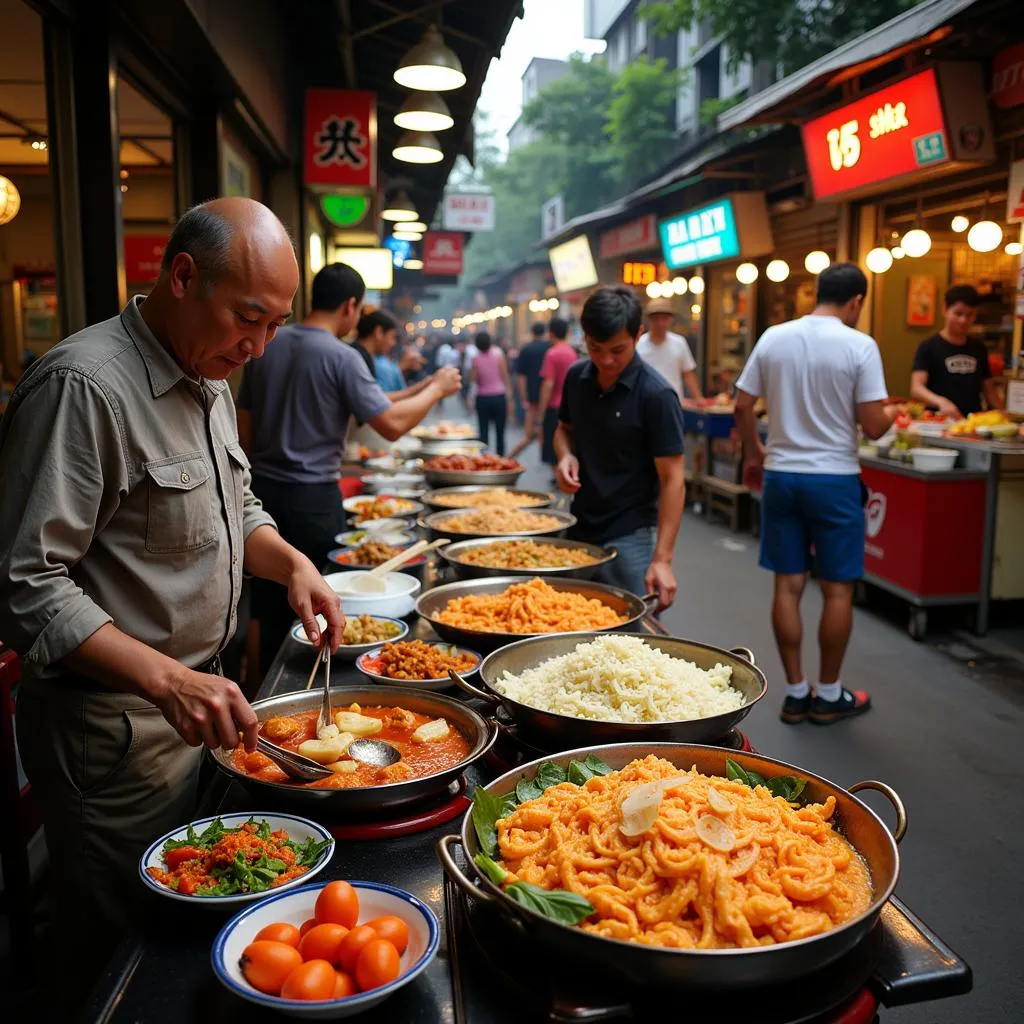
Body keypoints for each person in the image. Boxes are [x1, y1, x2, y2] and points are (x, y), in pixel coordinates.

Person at [0, 198, 346, 993]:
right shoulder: (84, 388)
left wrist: (290, 562)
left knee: (185, 926)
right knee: (114, 951)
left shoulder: (208, 371)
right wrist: (166, 678)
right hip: (114, 732)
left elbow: (236, 511)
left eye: (275, 325)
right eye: (247, 319)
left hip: (200, 712)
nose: (257, 348)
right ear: (182, 276)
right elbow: (22, 582)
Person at [236, 263, 461, 670]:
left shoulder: (264, 344)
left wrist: (426, 386)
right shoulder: (341, 355)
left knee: (267, 607)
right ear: (351, 306)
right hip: (314, 501)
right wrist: (439, 390)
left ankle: (262, 696)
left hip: (259, 501)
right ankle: (309, 693)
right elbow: (390, 425)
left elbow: (244, 429)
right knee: (318, 606)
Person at [734, 262, 893, 727]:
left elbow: (742, 404)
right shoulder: (859, 345)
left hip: (783, 476)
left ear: (817, 293)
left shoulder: (774, 337)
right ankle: (827, 695)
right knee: (837, 588)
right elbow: (875, 423)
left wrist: (755, 452)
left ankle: (796, 691)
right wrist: (889, 418)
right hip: (834, 479)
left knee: (788, 583)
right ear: (856, 301)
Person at [553, 286, 685, 608]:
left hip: (631, 535)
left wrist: (663, 560)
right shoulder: (575, 377)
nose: (606, 360)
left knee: (632, 638)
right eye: (595, 348)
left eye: (618, 350)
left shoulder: (656, 395)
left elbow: (673, 479)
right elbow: (563, 430)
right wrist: (565, 456)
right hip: (579, 529)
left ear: (638, 335)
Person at [910, 284, 1003, 419]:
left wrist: (1004, 413)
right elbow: (916, 389)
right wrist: (941, 402)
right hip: (938, 421)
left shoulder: (979, 349)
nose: (963, 320)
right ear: (945, 310)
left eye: (970, 315)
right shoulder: (928, 347)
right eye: (958, 313)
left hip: (972, 422)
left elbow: (989, 390)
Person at [353, 309, 434, 401]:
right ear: (378, 332)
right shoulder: (356, 358)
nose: (393, 343)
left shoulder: (366, 357)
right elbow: (374, 402)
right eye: (392, 337)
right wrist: (430, 386)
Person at [636, 298, 704, 403]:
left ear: (670, 320)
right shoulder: (638, 345)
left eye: (664, 318)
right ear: (649, 319)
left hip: (673, 402)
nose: (660, 323)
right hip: (645, 403)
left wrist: (698, 398)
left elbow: (688, 374)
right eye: (656, 318)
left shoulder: (679, 343)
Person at [538, 317, 577, 467]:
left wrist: (541, 411)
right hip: (569, 405)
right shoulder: (571, 352)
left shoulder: (552, 354)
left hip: (554, 406)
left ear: (551, 333)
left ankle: (559, 475)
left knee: (552, 446)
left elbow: (548, 383)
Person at [509, 322, 549, 458]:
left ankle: (510, 457)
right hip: (549, 397)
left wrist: (523, 396)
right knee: (545, 431)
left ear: (532, 332)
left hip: (532, 397)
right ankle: (550, 462)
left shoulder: (526, 349)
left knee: (529, 433)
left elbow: (521, 377)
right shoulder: (549, 348)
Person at [471, 331, 515, 455]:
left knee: (483, 430)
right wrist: (509, 394)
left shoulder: (476, 358)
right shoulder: (498, 353)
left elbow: (473, 378)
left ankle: (483, 458)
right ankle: (500, 457)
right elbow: (505, 375)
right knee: (500, 431)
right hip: (499, 396)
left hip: (482, 397)